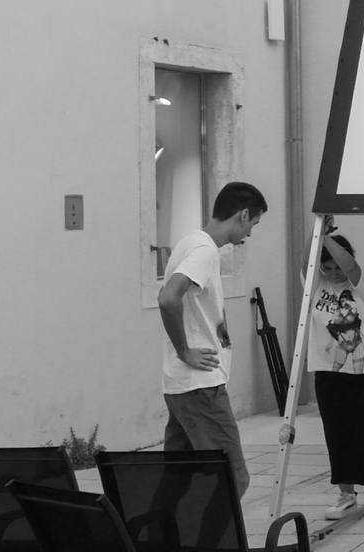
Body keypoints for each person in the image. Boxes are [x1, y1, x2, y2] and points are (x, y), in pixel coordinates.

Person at [157, 181, 267, 501]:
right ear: (242, 215)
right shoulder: (204, 251)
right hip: (201, 386)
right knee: (233, 479)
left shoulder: (190, 242)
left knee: (177, 481)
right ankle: (214, 531)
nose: (250, 233)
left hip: (182, 386)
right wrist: (185, 351)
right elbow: (168, 298)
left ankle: (158, 528)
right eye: (253, 223)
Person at [279, 217, 364, 518]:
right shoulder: (316, 286)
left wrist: (328, 238)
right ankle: (346, 494)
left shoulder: (363, 283)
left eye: (337, 267)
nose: (333, 273)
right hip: (329, 375)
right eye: (327, 268)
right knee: (337, 436)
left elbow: (351, 268)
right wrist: (318, 229)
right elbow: (305, 261)